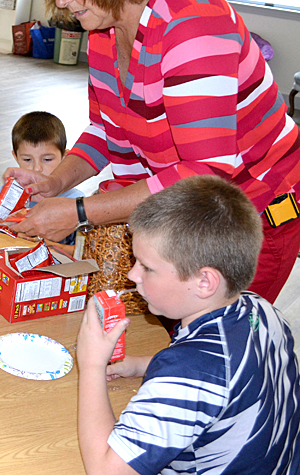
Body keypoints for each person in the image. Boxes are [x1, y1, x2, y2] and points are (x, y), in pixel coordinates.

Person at [4, 0, 300, 303]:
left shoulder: (192, 24)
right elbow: (104, 130)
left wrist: (80, 212)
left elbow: (205, 171)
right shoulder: (105, 33)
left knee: (216, 340)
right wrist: (57, 182)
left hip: (249, 214)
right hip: (180, 210)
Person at [77, 175, 300, 475]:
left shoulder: (190, 374)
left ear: (204, 282)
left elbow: (105, 470)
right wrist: (145, 365)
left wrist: (91, 364)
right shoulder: (260, 309)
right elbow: (231, 371)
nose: (132, 275)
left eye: (147, 267)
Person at [0, 111, 82, 248]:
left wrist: (45, 245)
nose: (37, 168)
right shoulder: (6, 196)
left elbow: (81, 252)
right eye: (27, 159)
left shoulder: (76, 201)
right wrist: (11, 236)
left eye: (47, 159)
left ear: (65, 157)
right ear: (15, 157)